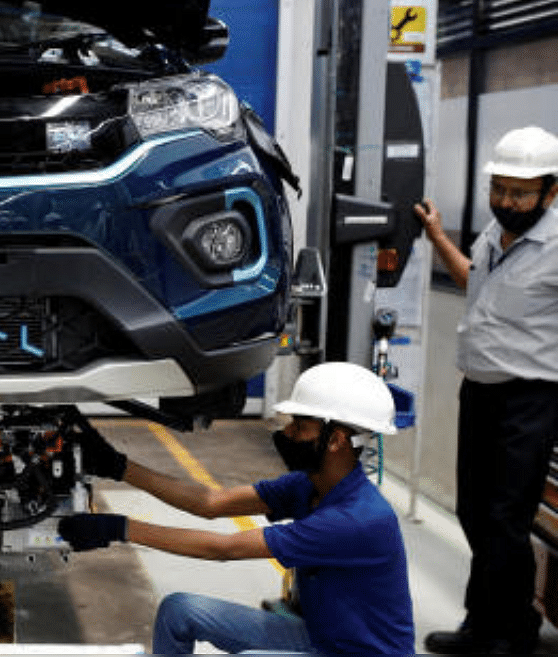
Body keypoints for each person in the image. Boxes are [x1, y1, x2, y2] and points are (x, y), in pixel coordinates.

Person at [59, 362, 414, 654]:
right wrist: (118, 466)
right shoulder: (309, 485)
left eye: (300, 426)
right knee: (178, 611)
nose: (287, 433)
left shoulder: (355, 520)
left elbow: (224, 548)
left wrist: (119, 529)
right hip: (321, 637)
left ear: (335, 440)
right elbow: (211, 503)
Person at [415, 125, 558, 655]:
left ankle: (505, 630)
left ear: (551, 191)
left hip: (532, 397)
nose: (505, 201)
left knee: (506, 515)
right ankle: (492, 621)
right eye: (498, 189)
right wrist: (438, 237)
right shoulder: (492, 238)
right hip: (480, 391)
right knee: (475, 509)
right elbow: (474, 280)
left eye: (519, 193)